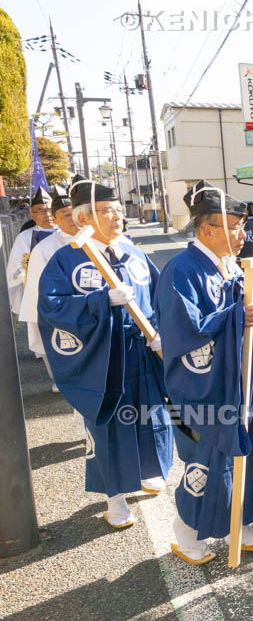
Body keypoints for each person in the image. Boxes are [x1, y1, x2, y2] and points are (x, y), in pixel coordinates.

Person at [154, 180, 253, 565]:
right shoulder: (180, 272)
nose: (242, 234)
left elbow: (251, 321)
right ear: (207, 229)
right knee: (206, 458)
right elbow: (186, 331)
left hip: (237, 381)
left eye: (242, 226)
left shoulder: (229, 268)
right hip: (203, 386)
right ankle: (186, 535)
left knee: (247, 449)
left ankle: (242, 525)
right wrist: (235, 317)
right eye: (234, 226)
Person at [37, 178, 173, 528]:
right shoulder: (66, 260)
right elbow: (52, 308)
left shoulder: (135, 254)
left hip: (141, 351)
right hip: (103, 358)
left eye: (117, 209)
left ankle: (149, 471)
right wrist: (99, 302)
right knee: (111, 424)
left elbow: (160, 300)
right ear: (84, 218)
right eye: (106, 211)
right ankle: (115, 499)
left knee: (151, 414)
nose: (116, 217)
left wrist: (161, 335)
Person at [20, 184, 79, 393]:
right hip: (59, 311)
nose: (72, 219)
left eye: (75, 213)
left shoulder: (95, 240)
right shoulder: (43, 247)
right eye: (65, 215)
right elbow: (38, 287)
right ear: (56, 217)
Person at [6, 187, 56, 316]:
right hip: (36, 292)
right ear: (32, 215)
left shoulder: (66, 233)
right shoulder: (25, 237)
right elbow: (16, 267)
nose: (48, 215)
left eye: (50, 210)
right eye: (41, 211)